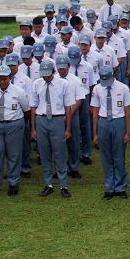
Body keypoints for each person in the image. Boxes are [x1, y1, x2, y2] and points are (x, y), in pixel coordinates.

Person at [30, 60, 74, 198]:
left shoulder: (63, 84)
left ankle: (63, 185)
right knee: (44, 153)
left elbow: (68, 106)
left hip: (57, 118)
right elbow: (33, 106)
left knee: (60, 152)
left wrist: (68, 128)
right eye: (43, 74)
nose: (45, 77)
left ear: (53, 72)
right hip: (42, 118)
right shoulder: (37, 84)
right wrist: (33, 127)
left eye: (47, 75)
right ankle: (48, 184)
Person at [0, 64, 29, 196]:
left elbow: (26, 110)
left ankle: (13, 182)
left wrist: (18, 124)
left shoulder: (18, 92)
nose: (2, 82)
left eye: (5, 79)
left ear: (10, 77)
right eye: (0, 79)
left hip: (14, 125)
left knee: (14, 155)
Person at [90, 64, 130, 200]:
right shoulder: (98, 89)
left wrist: (128, 132)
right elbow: (95, 110)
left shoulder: (123, 88)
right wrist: (95, 133)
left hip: (118, 121)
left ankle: (120, 186)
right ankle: (109, 187)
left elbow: (127, 111)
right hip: (104, 122)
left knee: (119, 156)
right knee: (106, 157)